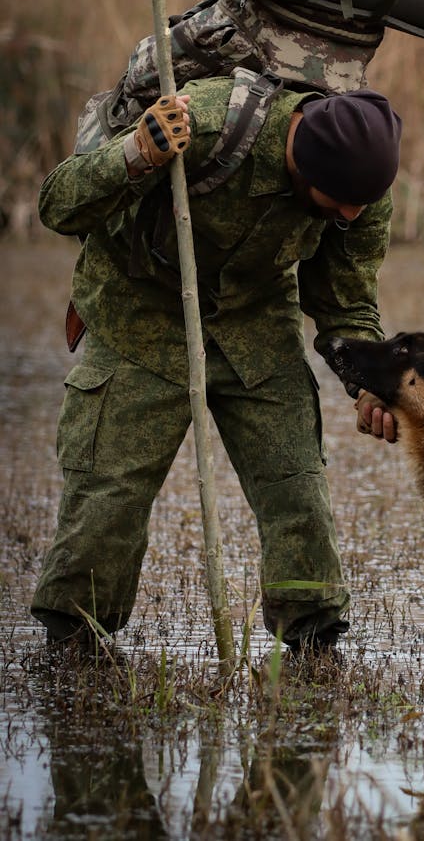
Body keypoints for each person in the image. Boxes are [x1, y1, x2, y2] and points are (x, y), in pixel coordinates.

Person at [31, 76, 401, 651]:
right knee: (110, 495)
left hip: (253, 323)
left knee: (296, 486)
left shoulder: (362, 194)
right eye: (339, 202)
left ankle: (313, 636)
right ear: (303, 164)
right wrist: (136, 155)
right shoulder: (198, 125)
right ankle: (75, 635)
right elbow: (57, 204)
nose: (351, 213)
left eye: (361, 206)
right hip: (140, 314)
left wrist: (370, 383)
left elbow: (346, 302)